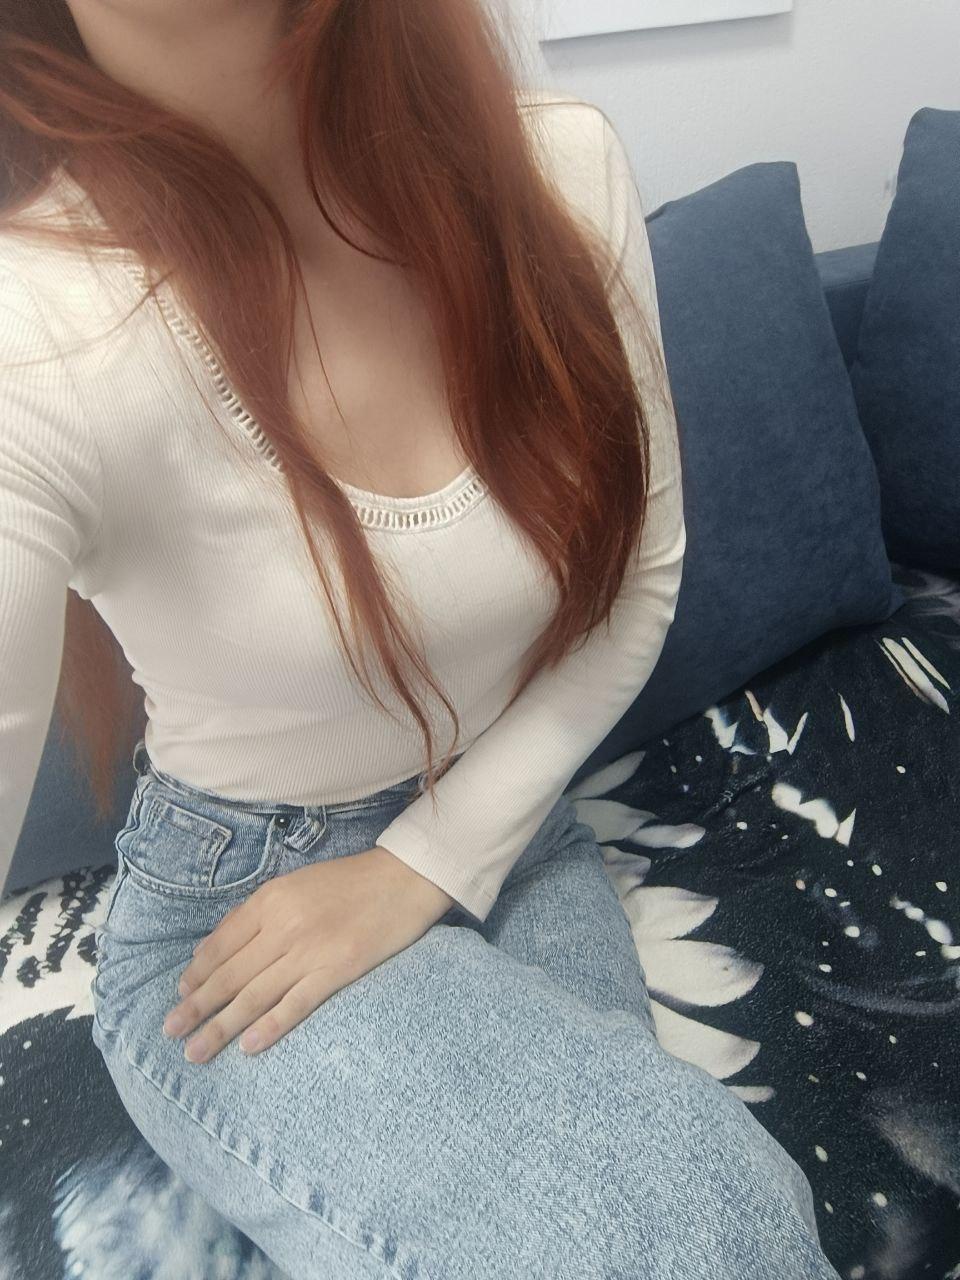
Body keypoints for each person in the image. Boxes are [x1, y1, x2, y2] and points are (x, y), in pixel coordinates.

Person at [0, 2, 841, 1276]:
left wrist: (422, 864)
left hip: (512, 815)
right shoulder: (36, 329)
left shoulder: (560, 172)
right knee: (709, 1229)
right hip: (239, 921)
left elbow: (637, 581)